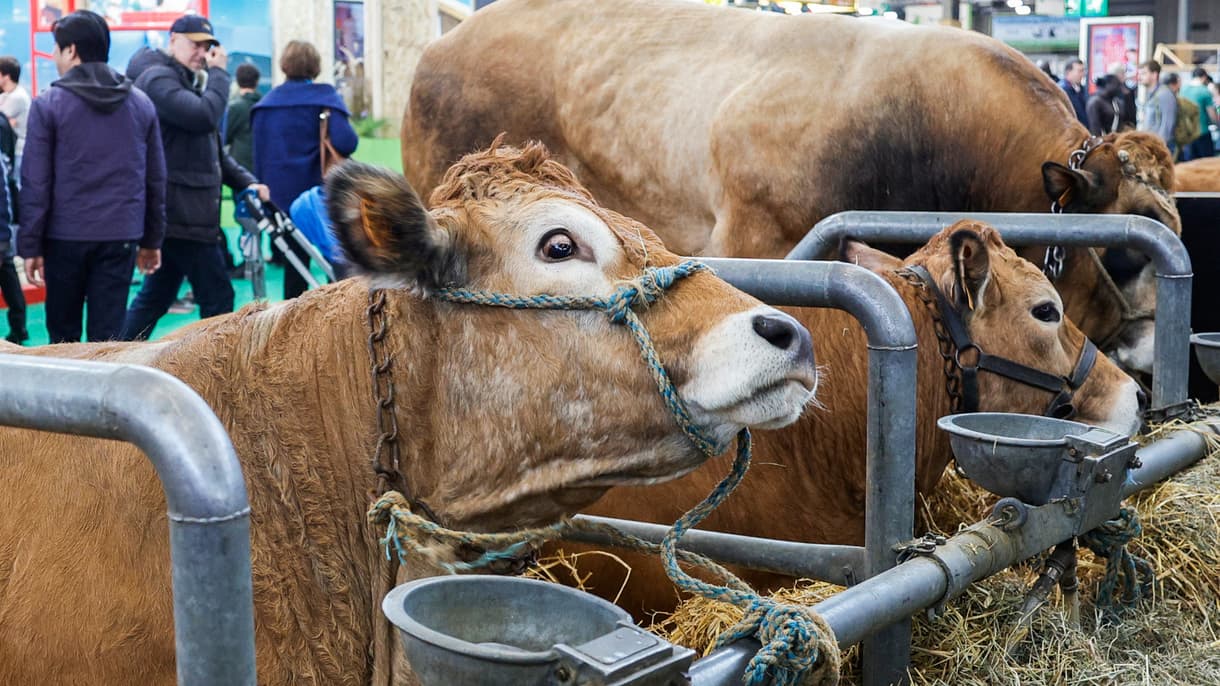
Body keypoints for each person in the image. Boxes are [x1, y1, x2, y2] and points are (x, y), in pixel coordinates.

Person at [17, 10, 165, 344]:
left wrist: (31, 245)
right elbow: (155, 179)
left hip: (63, 237)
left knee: (63, 338)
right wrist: (152, 239)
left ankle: (62, 399)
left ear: (70, 50)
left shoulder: (49, 105)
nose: (54, 56)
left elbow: (36, 182)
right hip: (121, 234)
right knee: (108, 339)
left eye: (56, 48)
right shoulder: (141, 104)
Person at [120, 14, 268, 341]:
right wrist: (218, 73)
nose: (202, 53)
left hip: (186, 212)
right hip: (180, 212)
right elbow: (204, 117)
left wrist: (246, 181)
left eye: (207, 46)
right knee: (218, 298)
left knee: (155, 299)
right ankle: (219, 371)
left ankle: (117, 357)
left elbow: (212, 151)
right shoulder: (157, 79)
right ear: (172, 40)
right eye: (195, 45)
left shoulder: (184, 80)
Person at [250, 39, 356, 299]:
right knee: (337, 266)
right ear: (315, 66)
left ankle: (293, 330)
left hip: (279, 202)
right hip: (320, 199)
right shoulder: (326, 98)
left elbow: (257, 158)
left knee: (294, 270)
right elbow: (346, 142)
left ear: (284, 65)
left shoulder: (264, 106)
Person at [0, 155, 23, 344]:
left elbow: (3, 202)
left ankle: (18, 328)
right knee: (11, 285)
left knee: (11, 285)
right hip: (3, 238)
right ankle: (19, 328)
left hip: (2, 239)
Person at [224, 62, 260, 172]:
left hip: (240, 168)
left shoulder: (234, 108)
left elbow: (224, 137)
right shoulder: (264, 105)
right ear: (257, 82)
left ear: (238, 82)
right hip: (261, 164)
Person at [0, 56, 31, 176]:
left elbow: (2, 120)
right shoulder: (7, 94)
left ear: (6, 77)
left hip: (18, 151)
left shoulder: (18, 97)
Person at [1137, 59, 1177, 153]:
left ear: (1154, 75)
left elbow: (1168, 124)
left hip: (1161, 149)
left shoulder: (1164, 94)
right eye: (1139, 74)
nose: (1139, 77)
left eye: (1143, 73)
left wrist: (1159, 149)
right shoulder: (1153, 94)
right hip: (1152, 147)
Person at [1180, 66, 1218, 160]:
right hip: (1202, 133)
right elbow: (1212, 114)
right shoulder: (1204, 91)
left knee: (1189, 164)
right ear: (1204, 77)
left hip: (1187, 134)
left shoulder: (1183, 90)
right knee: (1207, 164)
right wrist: (1217, 123)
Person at [1058, 58, 1089, 127]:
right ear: (1069, 72)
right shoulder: (1061, 90)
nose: (1083, 74)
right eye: (1080, 71)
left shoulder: (1082, 89)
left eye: (1083, 71)